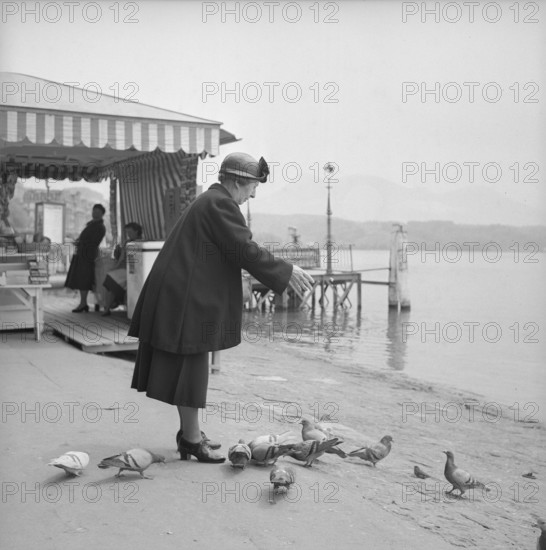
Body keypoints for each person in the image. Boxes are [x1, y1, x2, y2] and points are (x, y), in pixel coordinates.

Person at [128, 152, 314, 463]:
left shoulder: (211, 201)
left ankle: (191, 433)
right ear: (238, 182)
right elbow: (243, 248)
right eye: (252, 187)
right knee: (191, 369)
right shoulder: (220, 203)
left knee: (188, 367)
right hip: (184, 297)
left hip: (181, 293)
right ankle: (189, 440)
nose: (253, 194)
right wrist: (286, 271)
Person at [64, 204, 106, 312]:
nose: (95, 213)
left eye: (97, 211)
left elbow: (93, 242)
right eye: (94, 210)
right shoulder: (91, 224)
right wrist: (78, 241)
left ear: (102, 213)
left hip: (88, 255)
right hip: (82, 254)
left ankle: (83, 304)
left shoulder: (100, 227)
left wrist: (80, 242)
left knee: (84, 279)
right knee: (81, 279)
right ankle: (83, 303)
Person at [101, 222, 143, 316]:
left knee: (112, 281)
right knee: (111, 280)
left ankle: (109, 306)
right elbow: (122, 258)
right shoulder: (128, 243)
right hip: (127, 270)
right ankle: (108, 307)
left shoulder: (141, 243)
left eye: (130, 232)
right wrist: (114, 267)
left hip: (135, 271)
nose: (128, 234)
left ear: (136, 231)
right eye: (127, 232)